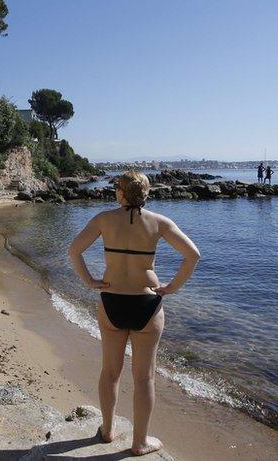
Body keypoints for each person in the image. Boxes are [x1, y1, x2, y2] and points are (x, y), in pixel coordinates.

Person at [68, 170, 200, 456]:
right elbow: (193, 255)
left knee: (110, 372)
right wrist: (172, 287)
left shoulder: (104, 219)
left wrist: (90, 281)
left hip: (111, 301)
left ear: (120, 193)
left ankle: (107, 430)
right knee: (144, 378)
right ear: (146, 193)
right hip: (147, 303)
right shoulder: (159, 222)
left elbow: (74, 250)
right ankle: (139, 443)